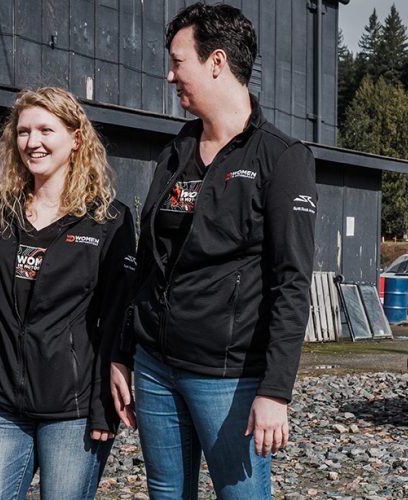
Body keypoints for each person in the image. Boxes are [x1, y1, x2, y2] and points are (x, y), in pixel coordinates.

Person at [108, 3, 317, 498]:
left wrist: (275, 391)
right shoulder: (176, 151)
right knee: (166, 492)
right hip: (155, 369)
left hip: (228, 379)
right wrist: (123, 353)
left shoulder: (281, 158)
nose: (170, 75)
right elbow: (147, 262)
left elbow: (292, 281)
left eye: (178, 62)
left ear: (216, 61)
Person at [0, 87, 133, 499]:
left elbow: (116, 317)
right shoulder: (1, 215)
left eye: (46, 130)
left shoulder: (108, 219)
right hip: (0, 403)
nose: (33, 142)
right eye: (24, 131)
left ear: (76, 138)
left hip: (72, 409)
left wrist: (103, 404)